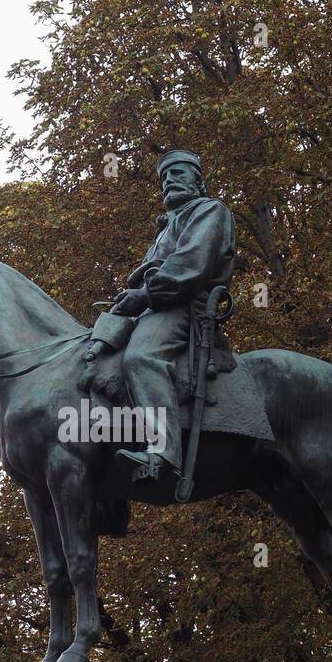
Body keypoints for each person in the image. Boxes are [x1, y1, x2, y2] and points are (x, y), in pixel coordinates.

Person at [109, 149, 235, 482]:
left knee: (141, 359)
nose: (168, 182)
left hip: (182, 306)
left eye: (177, 174)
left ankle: (163, 453)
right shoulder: (165, 228)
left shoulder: (210, 210)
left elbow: (192, 264)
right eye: (165, 177)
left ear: (198, 181)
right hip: (152, 307)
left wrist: (146, 294)